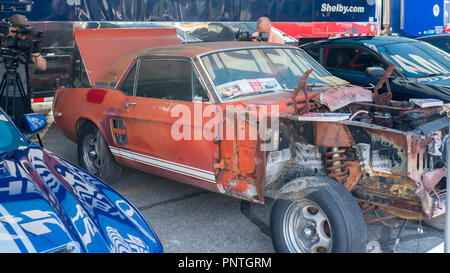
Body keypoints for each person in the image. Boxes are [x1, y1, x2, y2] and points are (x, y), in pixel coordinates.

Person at [0, 14, 46, 126]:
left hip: (21, 95)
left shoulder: (26, 43)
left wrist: (37, 54)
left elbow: (42, 66)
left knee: (21, 129)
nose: (24, 35)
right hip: (1, 94)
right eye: (21, 31)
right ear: (12, 29)